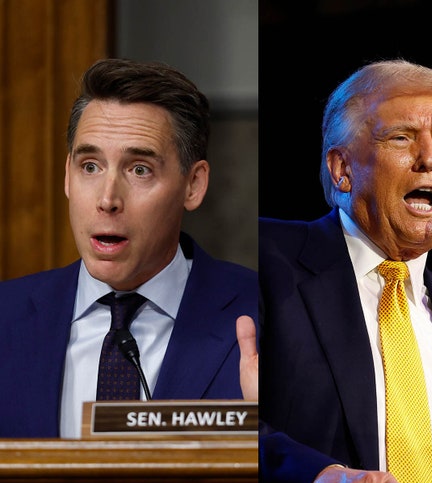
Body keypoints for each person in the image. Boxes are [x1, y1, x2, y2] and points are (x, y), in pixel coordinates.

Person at [258, 59, 432, 483]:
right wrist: (313, 476)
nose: (429, 158)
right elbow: (199, 422)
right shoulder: (266, 261)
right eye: (401, 137)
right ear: (341, 169)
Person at [0, 58, 259, 438]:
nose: (107, 199)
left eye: (139, 169)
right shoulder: (7, 317)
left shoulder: (262, 313)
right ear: (67, 177)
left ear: (194, 185)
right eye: (90, 166)